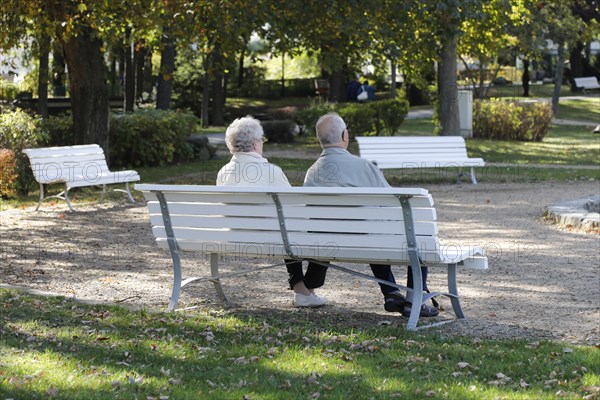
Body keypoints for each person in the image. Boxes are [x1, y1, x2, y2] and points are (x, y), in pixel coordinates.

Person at [303, 112, 439, 317]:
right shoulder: (364, 167)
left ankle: (392, 293)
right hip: (367, 242)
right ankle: (414, 301)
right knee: (414, 235)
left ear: (319, 140)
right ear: (344, 135)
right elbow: (393, 205)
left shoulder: (312, 172)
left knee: (370, 230)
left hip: (326, 243)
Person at [216, 116, 328, 308]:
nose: (262, 144)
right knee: (318, 231)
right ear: (254, 143)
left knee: (284, 228)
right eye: (261, 141)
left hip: (233, 236)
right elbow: (295, 210)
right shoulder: (270, 171)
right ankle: (306, 289)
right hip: (270, 238)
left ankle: (303, 290)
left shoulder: (223, 172)